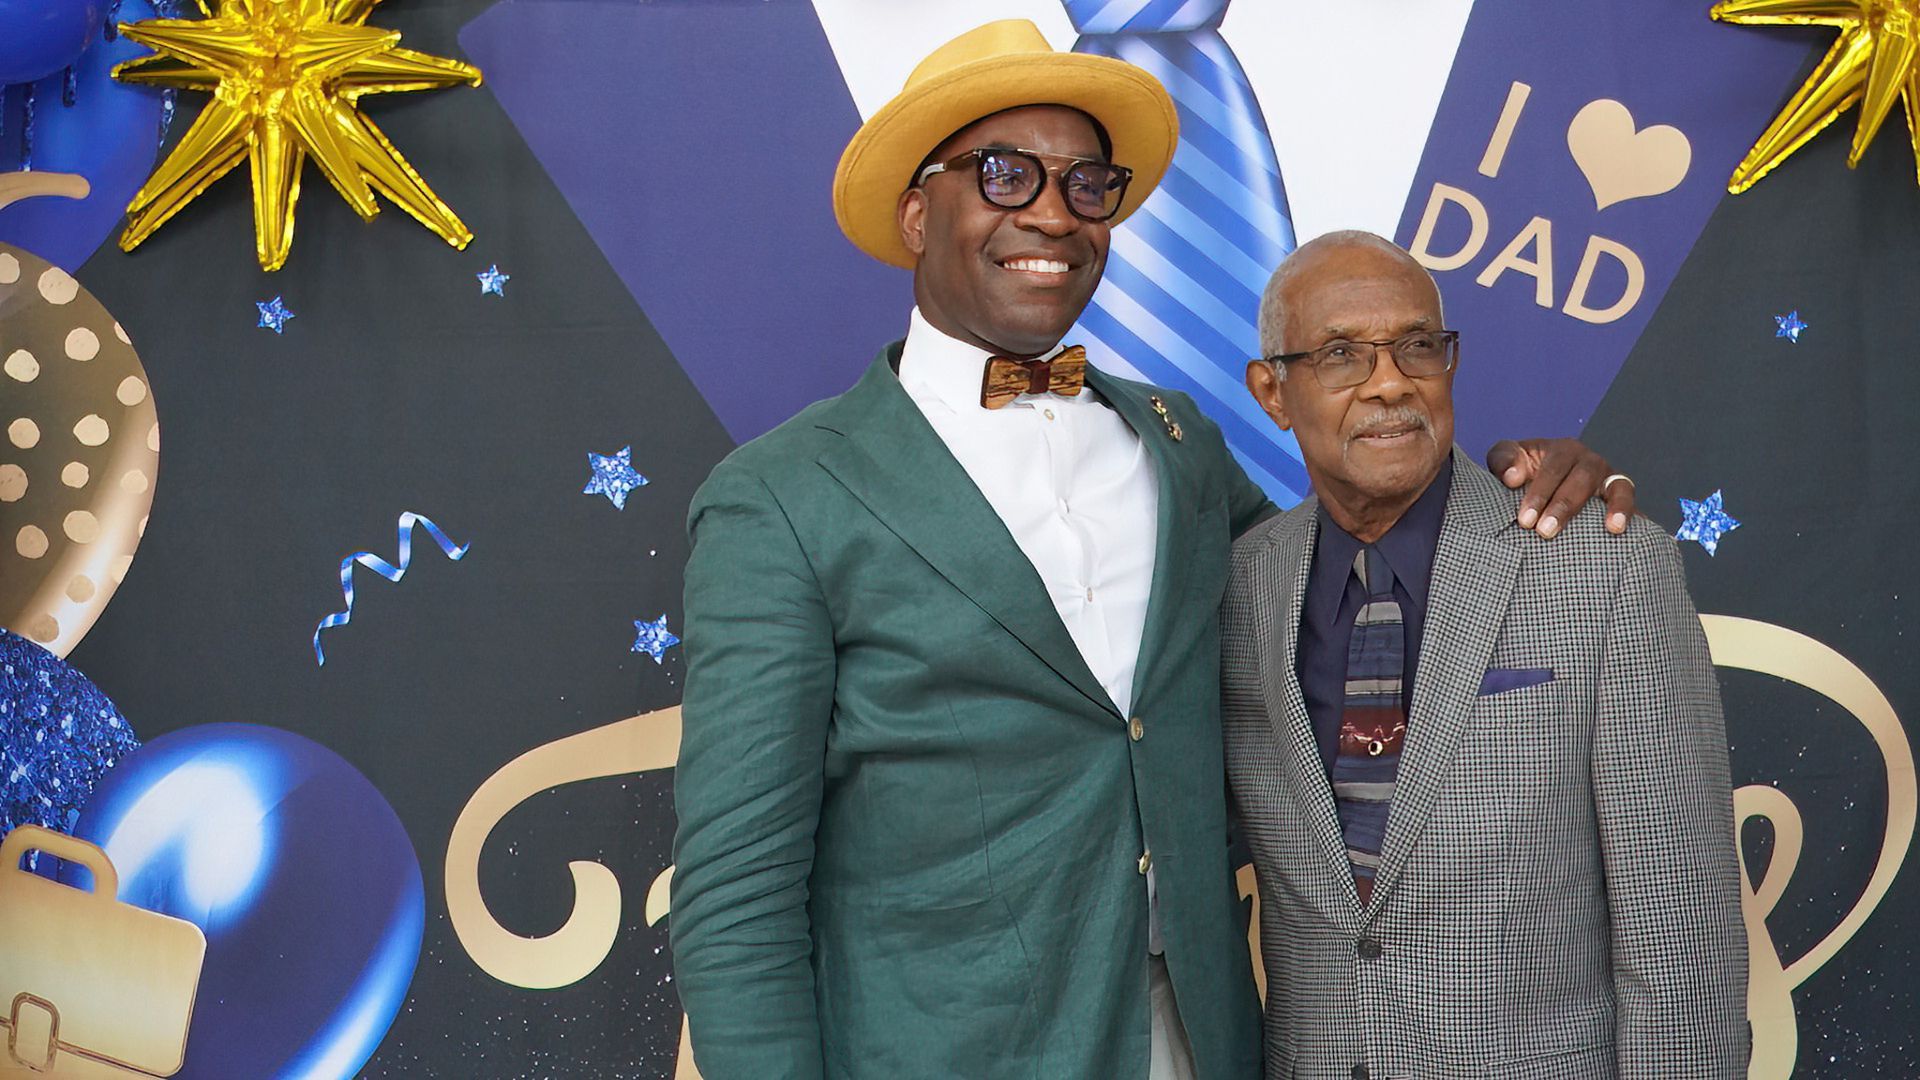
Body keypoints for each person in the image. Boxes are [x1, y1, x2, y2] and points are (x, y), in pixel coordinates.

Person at [671, 23, 1634, 1080]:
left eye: (1088, 184)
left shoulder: (1176, 445)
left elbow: (1353, 562)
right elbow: (737, 894)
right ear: (916, 212)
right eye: (1004, 174)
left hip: (1203, 1037)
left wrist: (1528, 492)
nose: (1051, 210)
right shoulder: (783, 497)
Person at [1223, 231, 1747, 1080]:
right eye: (1342, 355)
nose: (1390, 380)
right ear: (1272, 392)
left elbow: (1679, 928)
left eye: (1417, 346)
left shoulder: (1607, 567)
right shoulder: (1241, 585)